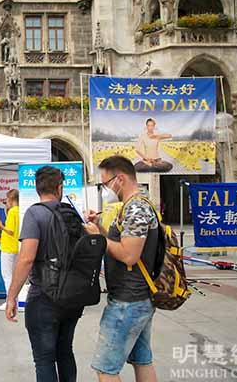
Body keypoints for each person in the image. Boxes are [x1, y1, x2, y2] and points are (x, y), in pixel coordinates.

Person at [5, 166, 84, 382]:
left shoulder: (34, 213)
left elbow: (27, 258)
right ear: (60, 188)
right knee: (65, 351)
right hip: (73, 295)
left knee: (44, 358)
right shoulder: (72, 213)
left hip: (44, 296)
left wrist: (12, 296)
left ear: (37, 188)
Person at [84, 155, 159, 382]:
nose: (105, 189)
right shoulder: (136, 205)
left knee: (105, 368)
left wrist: (100, 239)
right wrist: (100, 229)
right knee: (142, 360)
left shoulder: (136, 208)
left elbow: (129, 255)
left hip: (128, 301)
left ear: (121, 179)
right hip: (139, 297)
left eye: (105, 183)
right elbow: (124, 244)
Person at [0, 189, 20, 311]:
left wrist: (1, 225)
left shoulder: (12, 212)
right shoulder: (20, 211)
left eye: (6, 199)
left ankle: (10, 301)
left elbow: (10, 230)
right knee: (15, 275)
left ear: (11, 199)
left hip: (8, 247)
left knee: (7, 276)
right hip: (17, 246)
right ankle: (15, 299)